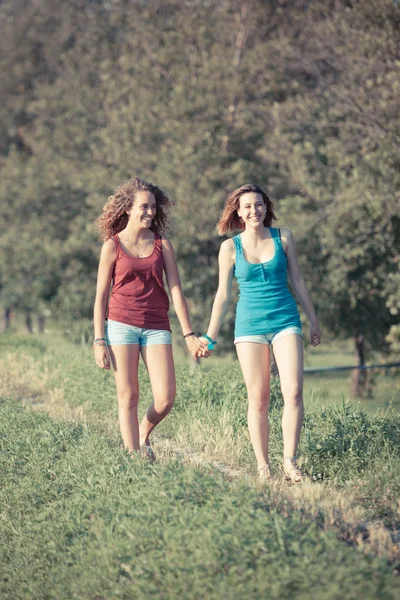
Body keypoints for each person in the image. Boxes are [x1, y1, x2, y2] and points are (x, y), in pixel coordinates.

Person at [199, 183, 321, 483]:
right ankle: (263, 466)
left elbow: (299, 281)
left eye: (259, 204)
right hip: (250, 327)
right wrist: (210, 336)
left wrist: (314, 320)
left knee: (293, 391)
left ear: (266, 207)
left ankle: (290, 462)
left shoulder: (284, 237)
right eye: (247, 206)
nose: (254, 210)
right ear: (238, 213)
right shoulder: (230, 248)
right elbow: (222, 296)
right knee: (259, 397)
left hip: (285, 320)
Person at [93, 176, 208, 461]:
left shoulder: (162, 245)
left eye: (153, 207)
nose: (150, 212)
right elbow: (100, 298)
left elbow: (177, 291)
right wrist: (99, 340)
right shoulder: (112, 246)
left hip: (157, 326)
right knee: (128, 395)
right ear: (128, 209)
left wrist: (189, 334)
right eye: (144, 206)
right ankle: (133, 458)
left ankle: (144, 431)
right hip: (121, 324)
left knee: (166, 398)